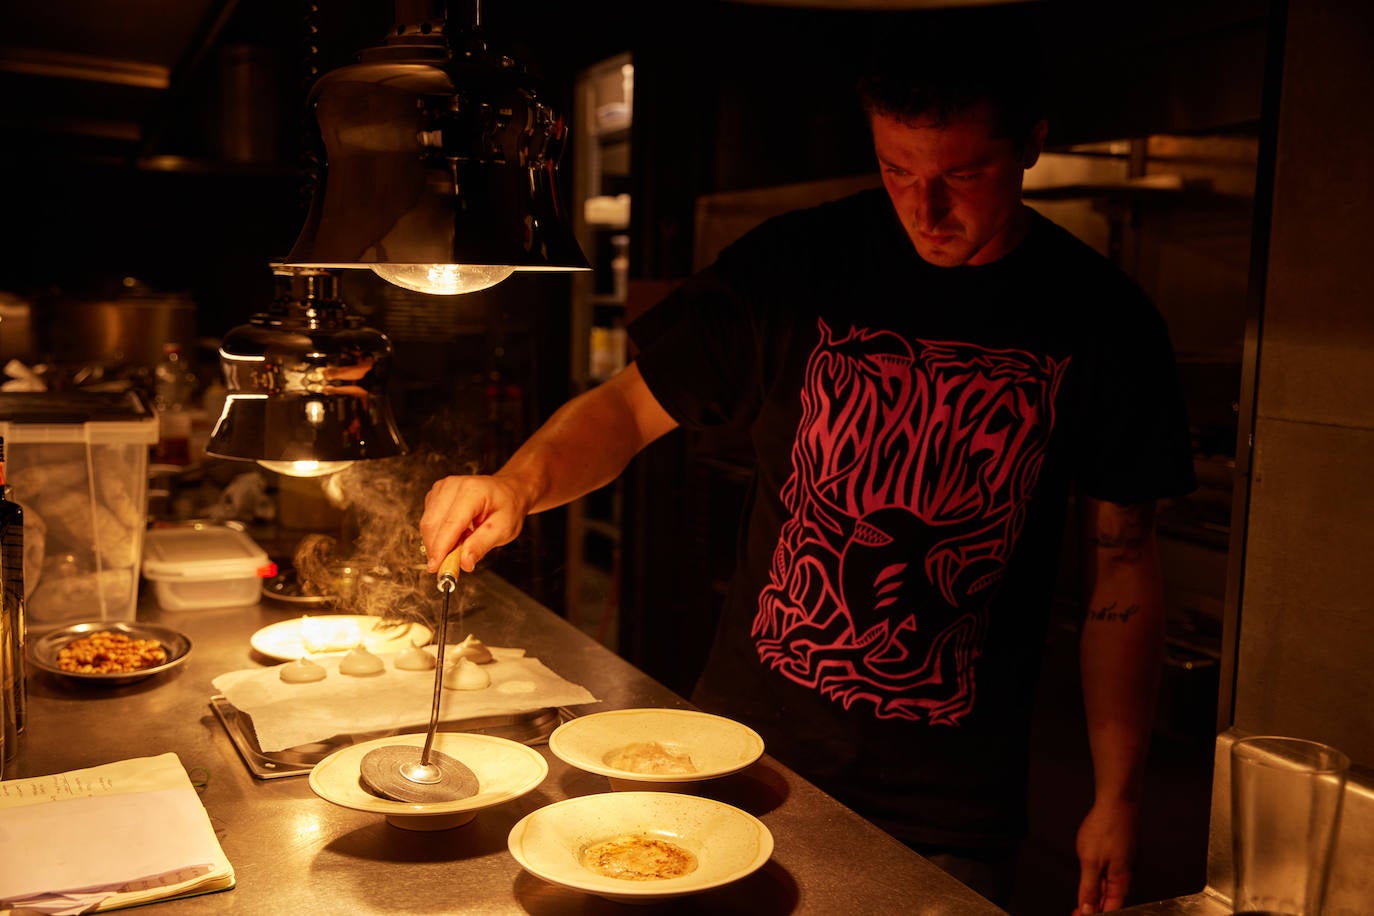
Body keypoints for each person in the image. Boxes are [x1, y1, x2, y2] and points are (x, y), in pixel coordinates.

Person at [419, 18, 1196, 914]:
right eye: (898, 171)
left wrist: (1117, 797)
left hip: (946, 812)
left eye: (963, 176)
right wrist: (517, 482)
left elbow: (1124, 565)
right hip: (732, 759)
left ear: (1030, 145)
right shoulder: (798, 265)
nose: (925, 210)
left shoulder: (1104, 321)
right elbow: (629, 407)